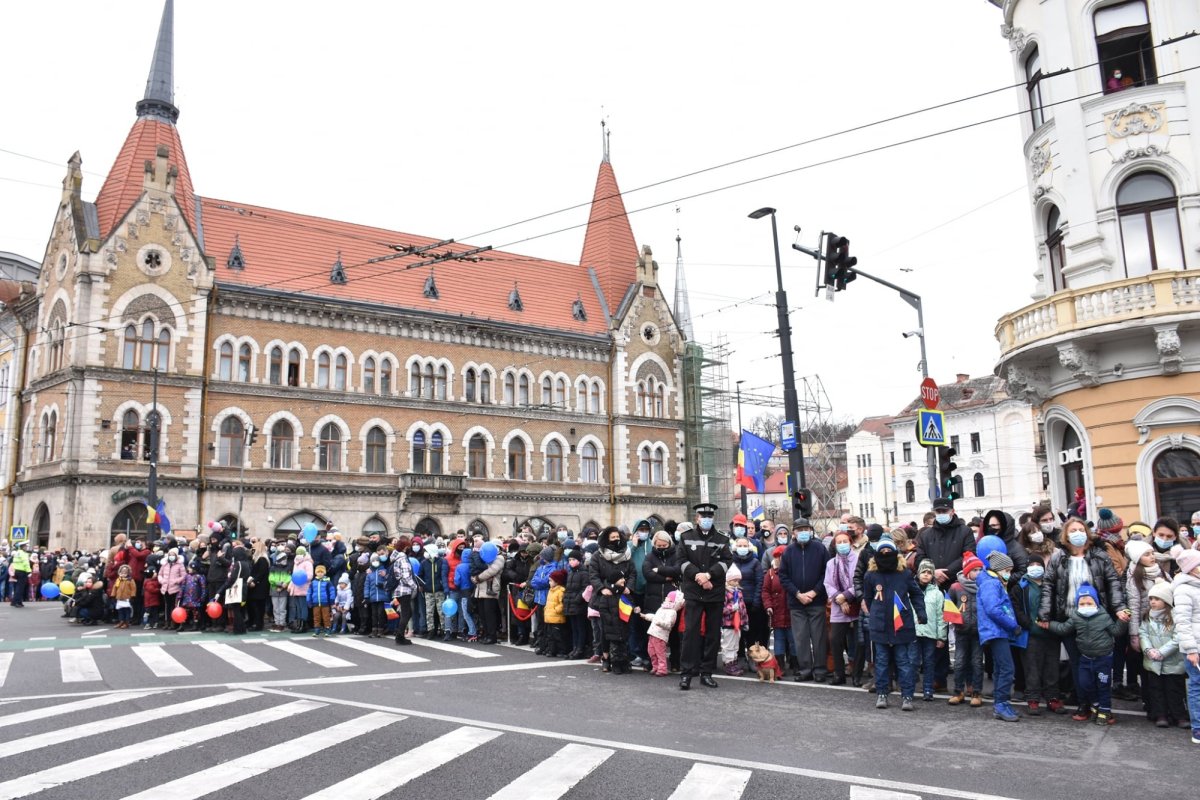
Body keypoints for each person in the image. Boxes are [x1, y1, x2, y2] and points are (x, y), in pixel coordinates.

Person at [1038, 517, 1129, 690]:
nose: (1078, 534)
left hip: (1096, 619)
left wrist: (1119, 608)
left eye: (1081, 530)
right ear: (1066, 535)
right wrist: (1044, 613)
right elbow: (1048, 585)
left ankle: (1100, 699)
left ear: (1087, 533)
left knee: (1098, 662)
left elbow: (1113, 583)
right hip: (1069, 617)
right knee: (1077, 663)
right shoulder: (1058, 558)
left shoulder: (1100, 556)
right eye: (1073, 531)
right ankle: (1083, 699)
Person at [1043, 584, 1122, 725]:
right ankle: (1096, 704)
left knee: (1103, 685)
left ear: (1096, 603)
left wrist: (1123, 621)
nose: (1086, 606)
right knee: (1085, 683)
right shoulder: (1076, 616)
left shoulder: (1103, 616)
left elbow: (1116, 631)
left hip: (1103, 658)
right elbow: (1063, 628)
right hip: (1086, 658)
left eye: (1089, 603)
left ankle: (1105, 710)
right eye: (1082, 603)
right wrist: (1048, 625)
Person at [863, 537, 926, 711]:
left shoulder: (904, 574)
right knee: (881, 662)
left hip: (901, 625)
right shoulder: (871, 575)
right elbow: (868, 598)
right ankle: (882, 693)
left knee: (904, 663)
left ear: (895, 554)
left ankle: (907, 696)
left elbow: (916, 594)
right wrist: (876, 613)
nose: (885, 555)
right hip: (880, 626)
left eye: (888, 552)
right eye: (882, 552)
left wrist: (921, 612)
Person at [676, 502, 733, 690]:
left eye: (709, 516)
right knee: (690, 634)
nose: (706, 519)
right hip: (694, 592)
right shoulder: (686, 537)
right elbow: (681, 561)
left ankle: (706, 673)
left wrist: (709, 575)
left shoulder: (722, 538)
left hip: (714, 592)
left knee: (712, 635)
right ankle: (686, 674)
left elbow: (727, 561)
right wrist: (698, 577)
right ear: (697, 518)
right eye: (703, 516)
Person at [779, 517, 830, 683]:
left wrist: (814, 592)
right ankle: (805, 669)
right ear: (794, 533)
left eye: (806, 529)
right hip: (796, 603)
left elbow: (826, 573)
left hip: (817, 601)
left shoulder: (820, 549)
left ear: (810, 531)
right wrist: (797, 594)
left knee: (818, 638)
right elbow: (783, 576)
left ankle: (820, 670)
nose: (803, 532)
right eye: (799, 530)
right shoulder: (788, 551)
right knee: (800, 638)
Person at [1014, 554, 1063, 715]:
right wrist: (1028, 624)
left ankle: (1052, 698)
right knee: (1032, 668)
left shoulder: (1051, 585)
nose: (1035, 567)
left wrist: (1054, 623)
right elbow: (1016, 608)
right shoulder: (1020, 587)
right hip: (1031, 635)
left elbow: (1058, 605)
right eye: (1032, 564)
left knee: (1052, 668)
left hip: (1051, 633)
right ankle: (1033, 699)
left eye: (1038, 564)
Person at [978, 551, 1022, 722]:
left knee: (1000, 668)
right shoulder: (992, 584)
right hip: (996, 631)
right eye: (1007, 570)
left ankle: (1001, 703)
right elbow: (993, 609)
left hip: (996, 631)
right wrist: (1012, 625)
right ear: (998, 569)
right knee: (1007, 668)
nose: (1009, 574)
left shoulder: (992, 582)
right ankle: (1001, 704)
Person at [588, 526, 636, 674]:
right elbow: (593, 575)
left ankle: (623, 658)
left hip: (623, 596)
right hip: (605, 597)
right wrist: (602, 588)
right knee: (605, 630)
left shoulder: (626, 554)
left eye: (618, 537)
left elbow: (632, 573)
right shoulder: (598, 555)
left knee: (624, 629)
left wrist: (629, 587)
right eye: (612, 537)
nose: (616, 540)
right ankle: (606, 658)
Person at [1140, 582, 1185, 728]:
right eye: (1151, 598)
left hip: (1173, 662)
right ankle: (1160, 714)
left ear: (1166, 600)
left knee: (1174, 690)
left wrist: (1162, 652)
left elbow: (1178, 638)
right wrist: (1148, 650)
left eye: (1157, 599)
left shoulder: (1175, 616)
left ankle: (1179, 715)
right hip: (1153, 661)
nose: (1153, 602)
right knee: (1156, 689)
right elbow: (1143, 633)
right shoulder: (1147, 616)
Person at [1171, 547, 1200, 744]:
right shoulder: (1183, 589)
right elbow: (1182, 622)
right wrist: (1191, 650)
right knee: (1196, 685)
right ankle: (1197, 728)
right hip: (1194, 647)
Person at [948, 554, 985, 707]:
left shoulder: (984, 586)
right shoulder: (956, 587)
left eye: (980, 570)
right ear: (967, 571)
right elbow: (949, 605)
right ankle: (958, 692)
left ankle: (976, 692)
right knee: (959, 662)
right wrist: (954, 621)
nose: (978, 573)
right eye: (975, 570)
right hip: (961, 631)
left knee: (977, 662)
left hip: (978, 632)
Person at [641, 532, 681, 669]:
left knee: (674, 632)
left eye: (664, 545)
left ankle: (675, 661)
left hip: (672, 601)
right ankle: (652, 661)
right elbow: (647, 573)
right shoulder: (649, 556)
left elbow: (677, 570)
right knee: (652, 633)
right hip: (653, 600)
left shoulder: (676, 555)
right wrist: (665, 578)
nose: (662, 548)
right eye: (659, 545)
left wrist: (659, 569)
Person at [825, 531, 860, 686]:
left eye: (845, 541)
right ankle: (839, 674)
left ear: (850, 543)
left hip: (856, 604)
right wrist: (840, 599)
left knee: (858, 642)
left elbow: (859, 581)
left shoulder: (858, 559)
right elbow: (828, 584)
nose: (842, 544)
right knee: (835, 640)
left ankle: (857, 675)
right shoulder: (831, 563)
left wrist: (846, 596)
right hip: (838, 606)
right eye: (839, 542)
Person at [913, 559, 948, 701]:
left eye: (929, 572)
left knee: (929, 662)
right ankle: (909, 688)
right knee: (913, 661)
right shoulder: (911, 591)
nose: (926, 574)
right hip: (914, 632)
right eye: (923, 572)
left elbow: (941, 617)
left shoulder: (937, 594)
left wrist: (941, 637)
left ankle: (928, 689)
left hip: (930, 634)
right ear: (918, 573)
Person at [762, 545, 796, 677]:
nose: (781, 559)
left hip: (792, 611)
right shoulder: (770, 573)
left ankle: (795, 664)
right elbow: (765, 591)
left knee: (793, 640)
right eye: (778, 556)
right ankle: (780, 666)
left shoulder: (793, 571)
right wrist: (768, 606)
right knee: (779, 640)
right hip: (776, 611)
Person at [640, 590, 683, 677]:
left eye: (668, 597)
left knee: (660, 653)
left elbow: (668, 625)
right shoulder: (662, 608)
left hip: (660, 636)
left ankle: (662, 669)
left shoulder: (672, 612)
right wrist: (646, 616)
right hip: (653, 633)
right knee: (651, 652)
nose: (666, 598)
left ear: (673, 600)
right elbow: (655, 617)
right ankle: (655, 667)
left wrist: (659, 623)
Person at [471, 540, 504, 645]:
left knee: (490, 615)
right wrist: (474, 577)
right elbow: (477, 567)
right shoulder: (484, 556)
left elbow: (491, 571)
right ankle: (486, 634)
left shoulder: (499, 558)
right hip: (480, 589)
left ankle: (492, 636)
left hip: (491, 590)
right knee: (483, 614)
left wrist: (478, 578)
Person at [720, 566, 748, 676]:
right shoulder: (725, 592)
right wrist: (732, 608)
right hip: (728, 623)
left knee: (736, 644)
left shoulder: (739, 592)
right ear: (728, 580)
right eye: (734, 580)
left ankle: (733, 662)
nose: (736, 583)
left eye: (738, 580)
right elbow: (721, 609)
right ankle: (728, 663)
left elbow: (743, 608)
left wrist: (745, 621)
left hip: (738, 623)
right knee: (729, 644)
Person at [391, 537, 418, 645]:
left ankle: (399, 634)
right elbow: (406, 576)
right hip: (404, 589)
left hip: (398, 589)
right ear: (405, 548)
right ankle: (400, 636)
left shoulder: (396, 558)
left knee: (406, 612)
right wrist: (414, 586)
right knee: (406, 613)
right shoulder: (403, 559)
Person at [563, 549, 590, 659]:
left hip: (579, 604)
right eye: (569, 560)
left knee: (580, 627)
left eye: (573, 559)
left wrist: (577, 599)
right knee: (574, 628)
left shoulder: (584, 573)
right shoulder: (570, 573)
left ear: (579, 560)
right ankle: (575, 648)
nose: (571, 561)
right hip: (570, 604)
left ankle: (580, 648)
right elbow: (568, 588)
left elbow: (585, 588)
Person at [543, 569, 568, 657]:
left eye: (551, 580)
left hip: (557, 617)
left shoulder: (561, 591)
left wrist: (556, 610)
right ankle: (551, 650)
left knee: (558, 635)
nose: (549, 582)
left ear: (557, 581)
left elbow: (562, 604)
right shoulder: (551, 590)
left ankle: (562, 651)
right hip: (549, 616)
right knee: (550, 635)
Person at [307, 564, 335, 637]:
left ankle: (327, 629)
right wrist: (309, 601)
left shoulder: (328, 582)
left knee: (326, 617)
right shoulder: (313, 582)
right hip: (316, 602)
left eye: (321, 572)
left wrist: (332, 600)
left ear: (324, 573)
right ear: (316, 573)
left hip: (325, 602)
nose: (320, 573)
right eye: (318, 572)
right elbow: (309, 592)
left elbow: (332, 591)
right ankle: (317, 630)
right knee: (316, 617)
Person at [9, 543, 30, 608]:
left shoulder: (17, 553)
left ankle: (15, 602)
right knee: (20, 588)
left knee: (17, 587)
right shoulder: (23, 554)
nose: (26, 547)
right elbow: (26, 563)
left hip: (17, 571)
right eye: (26, 546)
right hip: (22, 571)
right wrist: (29, 571)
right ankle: (17, 602)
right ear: (23, 547)